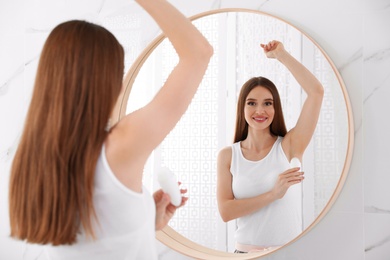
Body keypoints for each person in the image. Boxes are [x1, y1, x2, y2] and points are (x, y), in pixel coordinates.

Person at [8, 0, 213, 259]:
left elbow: (89, 243)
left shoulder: (30, 159)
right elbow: (198, 52)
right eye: (119, 73)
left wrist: (143, 220)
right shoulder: (120, 145)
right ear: (105, 81)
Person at [217, 40, 323, 253]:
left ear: (275, 108)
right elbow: (226, 211)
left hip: (288, 252)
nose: (260, 110)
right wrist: (273, 194)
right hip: (244, 255)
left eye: (268, 103)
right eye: (252, 103)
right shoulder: (228, 156)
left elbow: (316, 92)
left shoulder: (290, 145)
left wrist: (281, 55)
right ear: (242, 107)